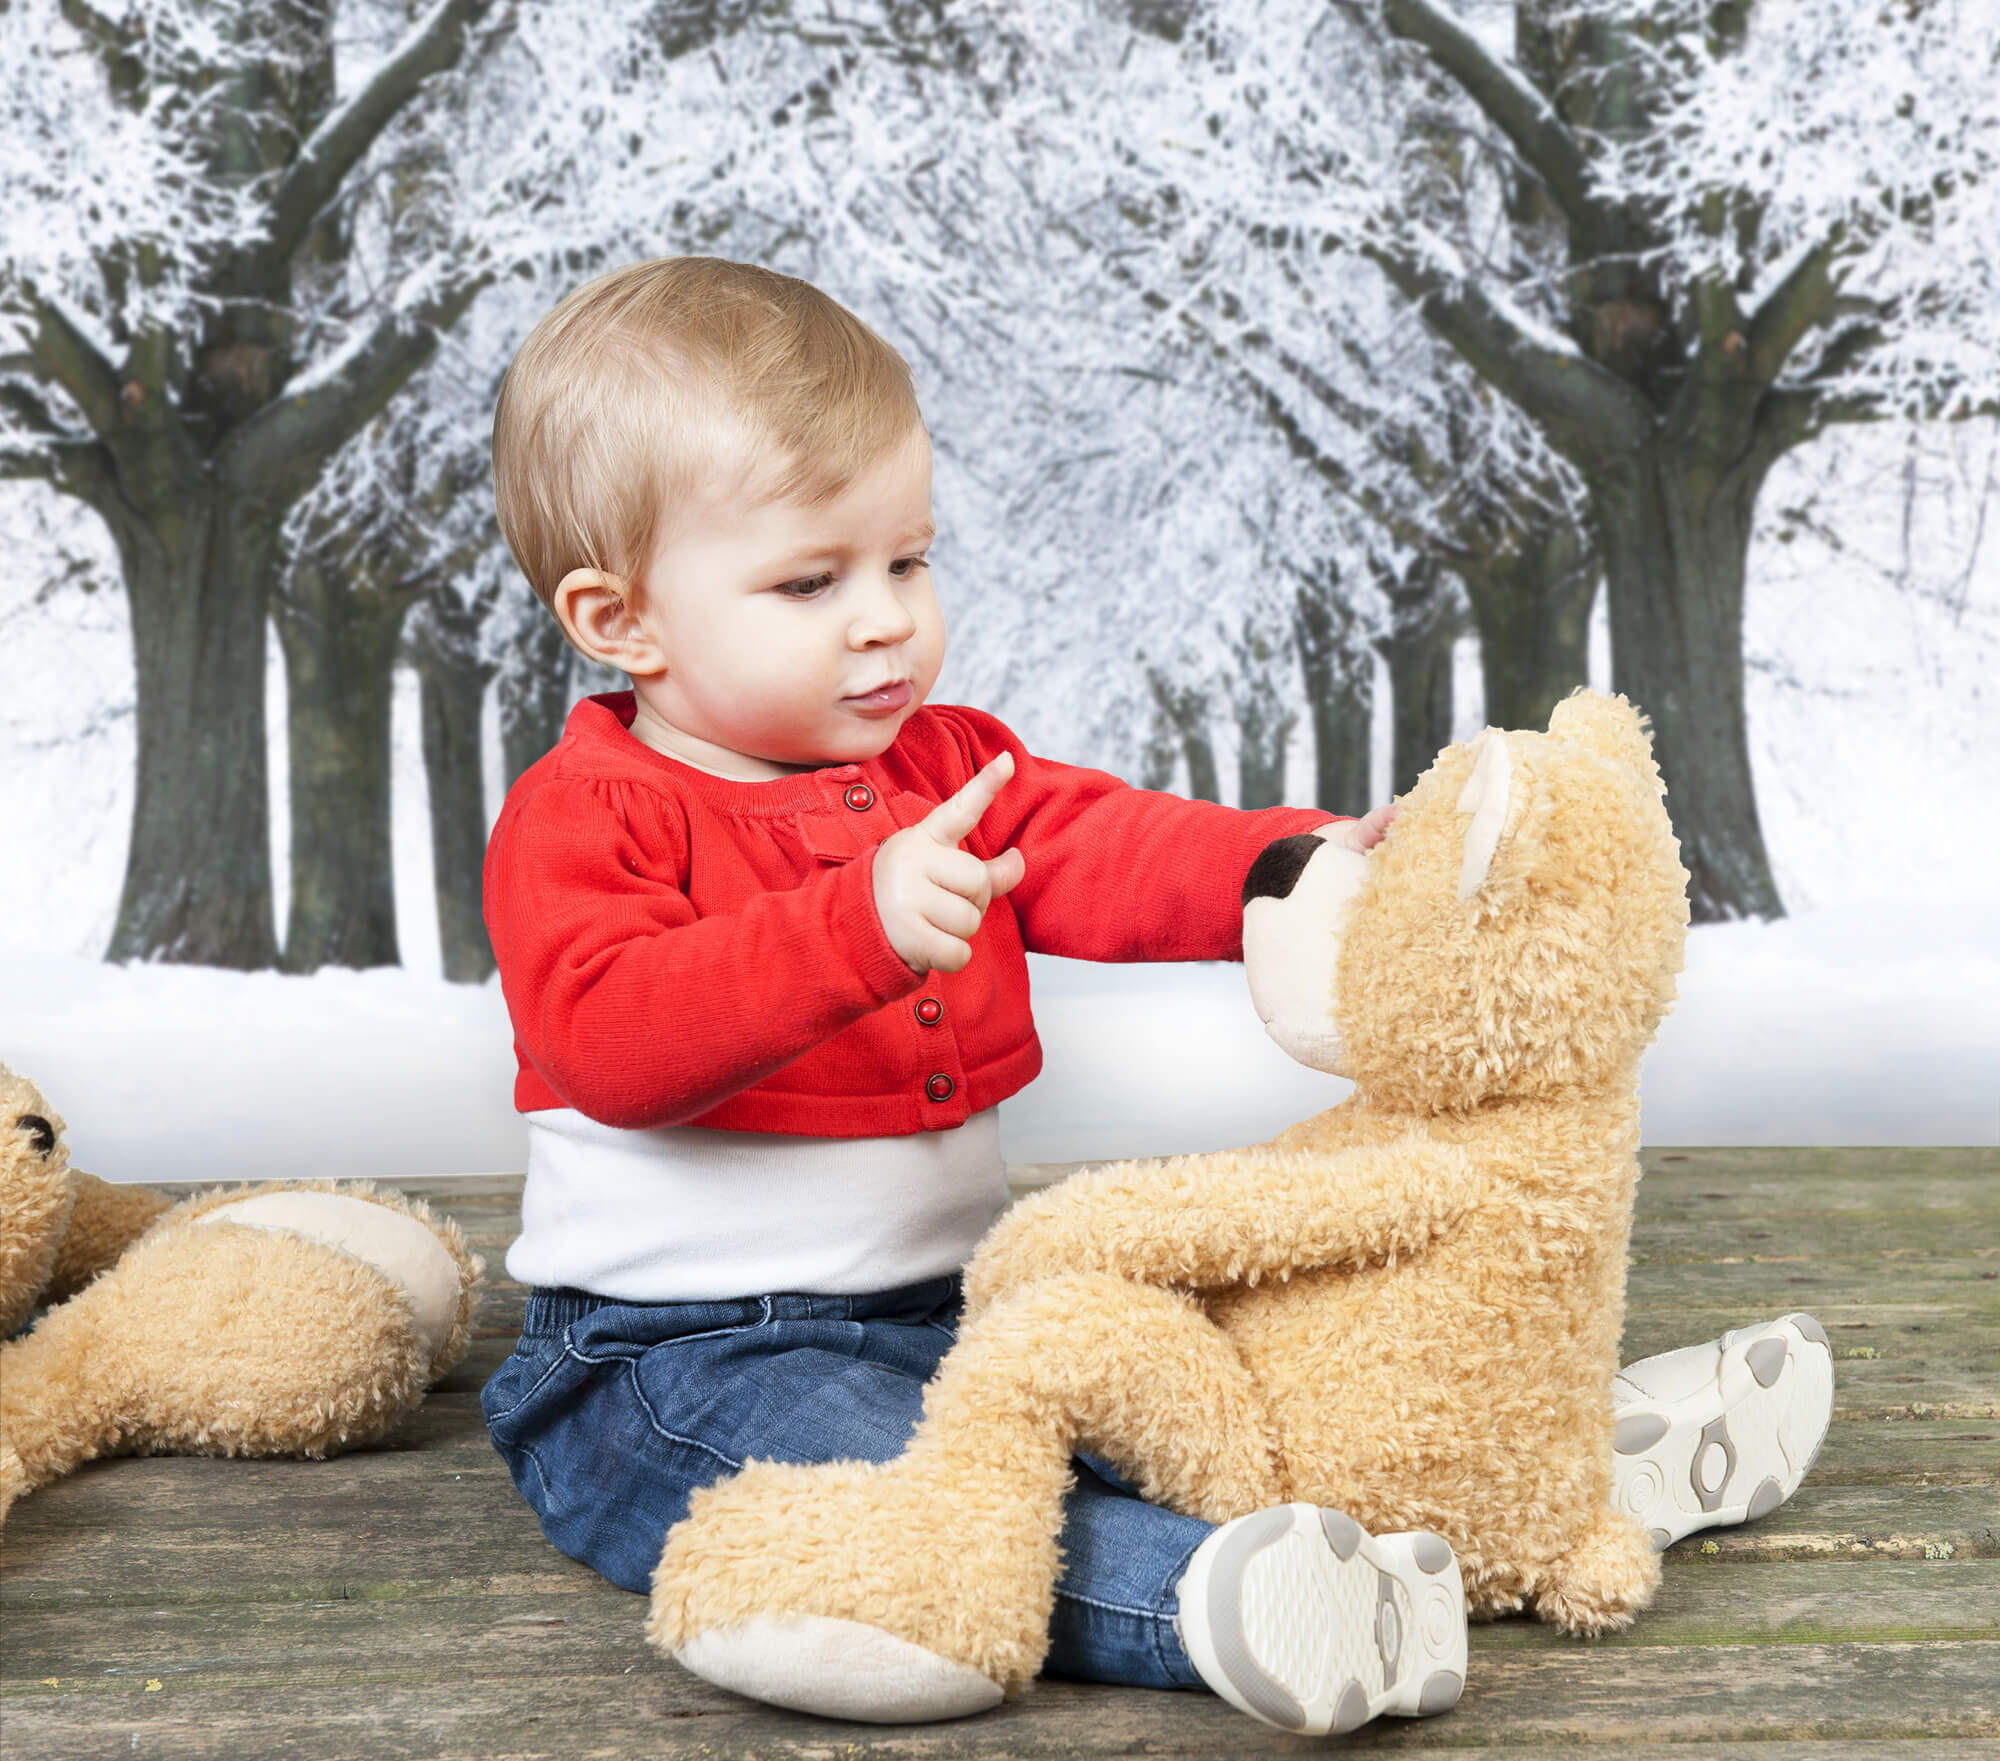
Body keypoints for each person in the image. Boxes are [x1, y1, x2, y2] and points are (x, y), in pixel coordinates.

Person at [477, 256, 1831, 1734]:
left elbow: (1094, 840)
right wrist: (849, 926)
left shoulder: (943, 764)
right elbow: (608, 1036)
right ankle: (1220, 1602)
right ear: (621, 621)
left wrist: (1278, 859)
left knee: (1224, 1394)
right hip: (676, 1359)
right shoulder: (585, 815)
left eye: (908, 562)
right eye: (811, 582)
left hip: (954, 1306)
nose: (884, 619)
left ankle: (1528, 1461)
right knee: (938, 1501)